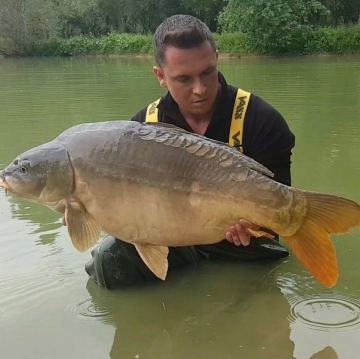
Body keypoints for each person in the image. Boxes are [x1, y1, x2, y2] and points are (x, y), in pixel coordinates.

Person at [84, 14, 296, 289]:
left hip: (242, 246)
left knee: (255, 286)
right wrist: (86, 209)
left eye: (207, 72)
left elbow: (277, 217)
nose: (200, 89)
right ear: (160, 76)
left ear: (217, 58)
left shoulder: (261, 120)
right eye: (184, 79)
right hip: (171, 240)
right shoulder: (141, 128)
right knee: (106, 260)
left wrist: (257, 229)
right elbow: (124, 204)